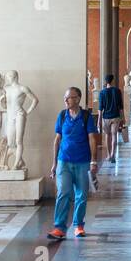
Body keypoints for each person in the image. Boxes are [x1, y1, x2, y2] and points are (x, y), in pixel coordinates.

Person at [48, 86, 100, 240]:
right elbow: (57, 139)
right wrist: (54, 163)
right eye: (65, 97)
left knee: (81, 195)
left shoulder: (86, 116)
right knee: (63, 192)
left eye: (69, 97)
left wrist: (93, 161)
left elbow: (92, 138)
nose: (66, 100)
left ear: (77, 99)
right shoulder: (62, 115)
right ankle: (59, 227)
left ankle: (78, 225)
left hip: (82, 161)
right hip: (64, 160)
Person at [97, 73, 124, 164]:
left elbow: (100, 108)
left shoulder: (102, 92)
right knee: (114, 136)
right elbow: (121, 106)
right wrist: (122, 118)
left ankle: (108, 155)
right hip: (115, 116)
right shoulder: (117, 91)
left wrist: (99, 120)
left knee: (107, 136)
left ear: (106, 81)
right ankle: (113, 155)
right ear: (112, 81)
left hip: (106, 118)